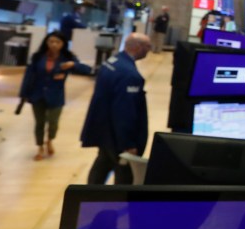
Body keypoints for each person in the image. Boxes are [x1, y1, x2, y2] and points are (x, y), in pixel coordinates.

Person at [80, 33, 152, 184]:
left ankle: (89, 196)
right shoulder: (130, 75)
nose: (149, 50)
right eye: (147, 47)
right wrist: (128, 143)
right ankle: (119, 204)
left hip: (105, 129)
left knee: (103, 163)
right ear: (137, 47)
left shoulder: (112, 62)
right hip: (118, 137)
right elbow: (125, 112)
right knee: (124, 175)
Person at [19, 31, 92, 161]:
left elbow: (87, 70)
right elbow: (28, 76)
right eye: (51, 41)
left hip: (56, 96)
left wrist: (73, 64)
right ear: (46, 42)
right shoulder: (37, 57)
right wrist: (24, 94)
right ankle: (40, 147)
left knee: (53, 122)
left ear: (63, 44)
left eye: (57, 42)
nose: (53, 44)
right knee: (39, 123)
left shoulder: (67, 58)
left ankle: (50, 139)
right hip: (38, 95)